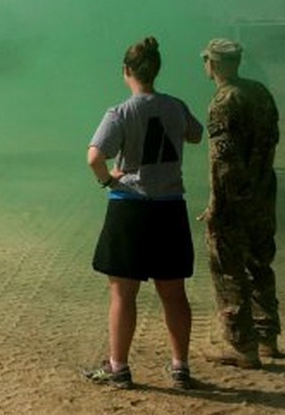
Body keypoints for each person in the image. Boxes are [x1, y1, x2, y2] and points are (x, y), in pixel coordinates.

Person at [83, 36, 204, 390]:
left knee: (123, 293)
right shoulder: (175, 106)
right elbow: (195, 135)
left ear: (126, 71)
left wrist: (108, 180)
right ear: (156, 71)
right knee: (173, 292)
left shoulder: (119, 112)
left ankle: (118, 367)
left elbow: (94, 157)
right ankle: (180, 366)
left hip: (130, 207)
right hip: (169, 207)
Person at [198, 38, 281, 368]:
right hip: (263, 192)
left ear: (212, 64)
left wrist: (216, 206)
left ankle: (239, 344)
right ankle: (266, 338)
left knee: (228, 268)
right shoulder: (260, 91)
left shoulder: (223, 102)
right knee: (261, 263)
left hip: (235, 199)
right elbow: (272, 139)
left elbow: (224, 161)